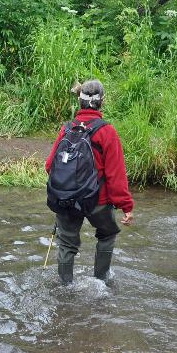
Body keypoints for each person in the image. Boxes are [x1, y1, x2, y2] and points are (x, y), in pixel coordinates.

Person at [45, 79, 134, 284]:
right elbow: (116, 175)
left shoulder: (66, 129)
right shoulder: (107, 131)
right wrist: (126, 206)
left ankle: (65, 287)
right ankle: (100, 283)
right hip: (98, 201)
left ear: (80, 102)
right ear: (102, 102)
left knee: (66, 245)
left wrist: (67, 187)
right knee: (107, 234)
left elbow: (50, 166)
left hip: (67, 200)